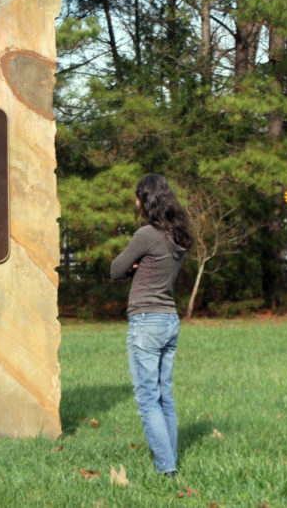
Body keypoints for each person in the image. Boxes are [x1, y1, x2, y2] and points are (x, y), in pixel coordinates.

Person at [110, 174, 192, 477]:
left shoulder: (146, 234)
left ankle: (166, 468)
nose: (135, 203)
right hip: (170, 319)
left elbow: (115, 269)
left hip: (146, 321)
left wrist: (132, 267)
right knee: (164, 395)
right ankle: (169, 462)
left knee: (147, 398)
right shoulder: (178, 236)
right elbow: (153, 268)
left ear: (147, 200)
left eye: (137, 197)